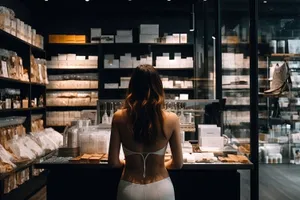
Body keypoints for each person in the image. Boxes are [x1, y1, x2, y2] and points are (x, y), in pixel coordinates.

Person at [108, 64, 183, 200]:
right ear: (158, 87)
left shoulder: (119, 117)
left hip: (129, 189)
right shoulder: (172, 119)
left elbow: (113, 162)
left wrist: (128, 163)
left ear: (132, 87)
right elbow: (178, 163)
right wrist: (159, 164)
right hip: (161, 189)